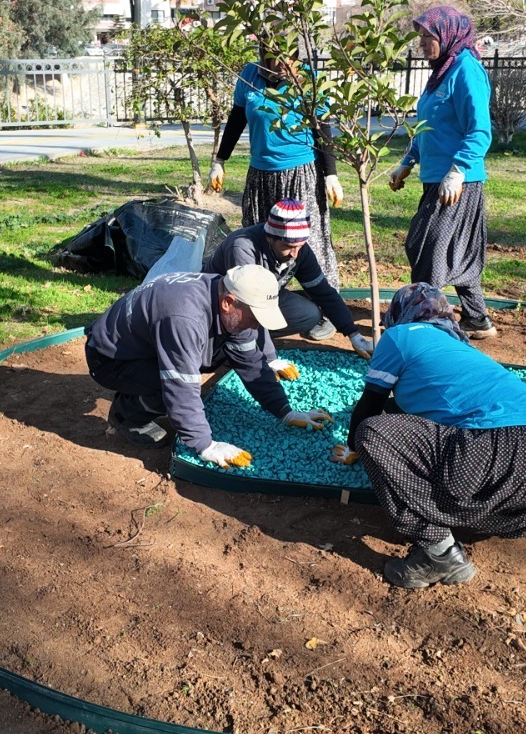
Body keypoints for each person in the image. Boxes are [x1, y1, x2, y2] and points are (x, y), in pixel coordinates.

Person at [339, 283, 526, 589]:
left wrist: (353, 444)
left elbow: (367, 414)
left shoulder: (400, 336)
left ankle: (439, 552)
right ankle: (459, 525)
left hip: (493, 451)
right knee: (441, 455)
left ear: (399, 315)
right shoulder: (461, 348)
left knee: (373, 435)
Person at [84, 265, 333, 468]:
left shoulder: (228, 297)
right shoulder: (185, 317)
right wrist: (206, 445)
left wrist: (285, 410)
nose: (256, 326)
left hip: (143, 347)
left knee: (218, 355)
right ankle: (126, 414)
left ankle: (139, 395)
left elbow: (251, 362)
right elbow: (180, 386)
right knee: (171, 389)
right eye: (254, 318)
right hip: (109, 359)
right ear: (228, 302)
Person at [387, 7, 496, 339]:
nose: (421, 43)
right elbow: (429, 128)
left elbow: (479, 130)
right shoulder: (441, 74)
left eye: (427, 36)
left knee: (427, 249)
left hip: (457, 183)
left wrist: (458, 169)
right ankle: (477, 320)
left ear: (448, 36)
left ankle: (427, 326)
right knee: (451, 250)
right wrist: (408, 160)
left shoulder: (466, 71)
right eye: (420, 36)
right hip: (435, 178)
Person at [209, 52, 342, 295]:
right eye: (275, 58)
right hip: (260, 175)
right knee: (260, 236)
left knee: (308, 240)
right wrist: (219, 161)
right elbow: (237, 119)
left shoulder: (310, 79)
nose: (282, 65)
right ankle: (259, 296)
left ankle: (326, 303)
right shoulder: (249, 75)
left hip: (300, 174)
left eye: (288, 57)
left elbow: (322, 128)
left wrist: (330, 174)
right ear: (263, 54)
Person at [203, 199, 373, 357]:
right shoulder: (243, 247)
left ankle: (252, 338)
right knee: (239, 325)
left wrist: (354, 335)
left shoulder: (299, 251)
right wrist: (269, 358)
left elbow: (324, 293)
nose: (294, 254)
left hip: (262, 299)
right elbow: (246, 304)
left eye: (299, 246)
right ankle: (233, 341)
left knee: (308, 314)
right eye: (288, 246)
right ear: (270, 237)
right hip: (223, 306)